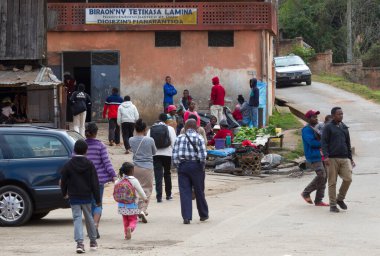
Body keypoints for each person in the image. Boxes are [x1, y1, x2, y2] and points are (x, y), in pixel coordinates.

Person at [60, 139, 100, 253]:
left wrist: (64, 193)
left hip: (74, 196)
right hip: (87, 196)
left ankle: (80, 244)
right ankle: (93, 241)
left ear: (74, 150)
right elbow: (94, 182)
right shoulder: (89, 164)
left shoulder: (68, 164)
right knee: (89, 217)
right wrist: (97, 199)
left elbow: (63, 181)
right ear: (86, 151)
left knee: (77, 218)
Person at [172, 119, 209, 224]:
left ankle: (186, 217)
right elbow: (203, 155)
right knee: (199, 191)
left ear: (185, 127)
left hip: (183, 166)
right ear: (196, 128)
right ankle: (203, 215)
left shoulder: (179, 138)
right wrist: (202, 166)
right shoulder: (199, 137)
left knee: (184, 192)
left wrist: (178, 166)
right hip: (196, 166)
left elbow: (174, 155)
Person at [85, 122, 117, 238]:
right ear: (96, 133)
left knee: (87, 205)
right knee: (97, 204)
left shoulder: (81, 146)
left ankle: (90, 228)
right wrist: (113, 175)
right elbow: (107, 163)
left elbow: (74, 159)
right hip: (98, 181)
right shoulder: (100, 146)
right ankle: (95, 226)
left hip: (84, 181)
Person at [322, 107, 355, 213]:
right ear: (333, 116)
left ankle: (340, 199)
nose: (341, 116)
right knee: (332, 182)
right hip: (332, 158)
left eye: (342, 114)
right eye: (338, 114)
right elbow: (324, 143)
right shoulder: (328, 127)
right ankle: (332, 205)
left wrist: (350, 158)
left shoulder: (344, 127)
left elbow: (348, 143)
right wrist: (326, 156)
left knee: (348, 179)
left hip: (344, 157)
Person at [129, 119, 157, 223]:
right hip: (147, 167)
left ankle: (137, 208)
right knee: (147, 189)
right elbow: (154, 152)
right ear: (145, 129)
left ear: (135, 129)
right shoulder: (150, 140)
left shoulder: (131, 139)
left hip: (135, 167)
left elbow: (132, 149)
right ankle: (142, 209)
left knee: (136, 188)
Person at [300, 110, 329, 207]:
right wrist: (324, 142)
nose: (316, 119)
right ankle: (306, 192)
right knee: (321, 175)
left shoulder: (318, 127)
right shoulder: (306, 130)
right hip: (314, 155)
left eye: (316, 117)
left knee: (324, 177)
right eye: (313, 117)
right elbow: (312, 143)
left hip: (323, 155)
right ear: (308, 119)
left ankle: (318, 200)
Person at [147, 113, 177, 202]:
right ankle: (168, 195)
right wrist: (172, 151)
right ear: (166, 120)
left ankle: (159, 197)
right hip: (167, 154)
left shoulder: (151, 129)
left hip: (156, 154)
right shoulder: (170, 129)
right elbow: (174, 142)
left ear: (158, 119)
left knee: (158, 175)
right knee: (167, 174)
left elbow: (148, 141)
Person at [115, 162, 148, 240]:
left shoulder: (120, 180)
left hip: (121, 205)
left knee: (125, 220)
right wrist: (145, 198)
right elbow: (140, 191)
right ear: (132, 171)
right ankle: (130, 228)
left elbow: (115, 185)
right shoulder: (134, 180)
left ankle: (126, 235)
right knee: (133, 220)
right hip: (132, 204)